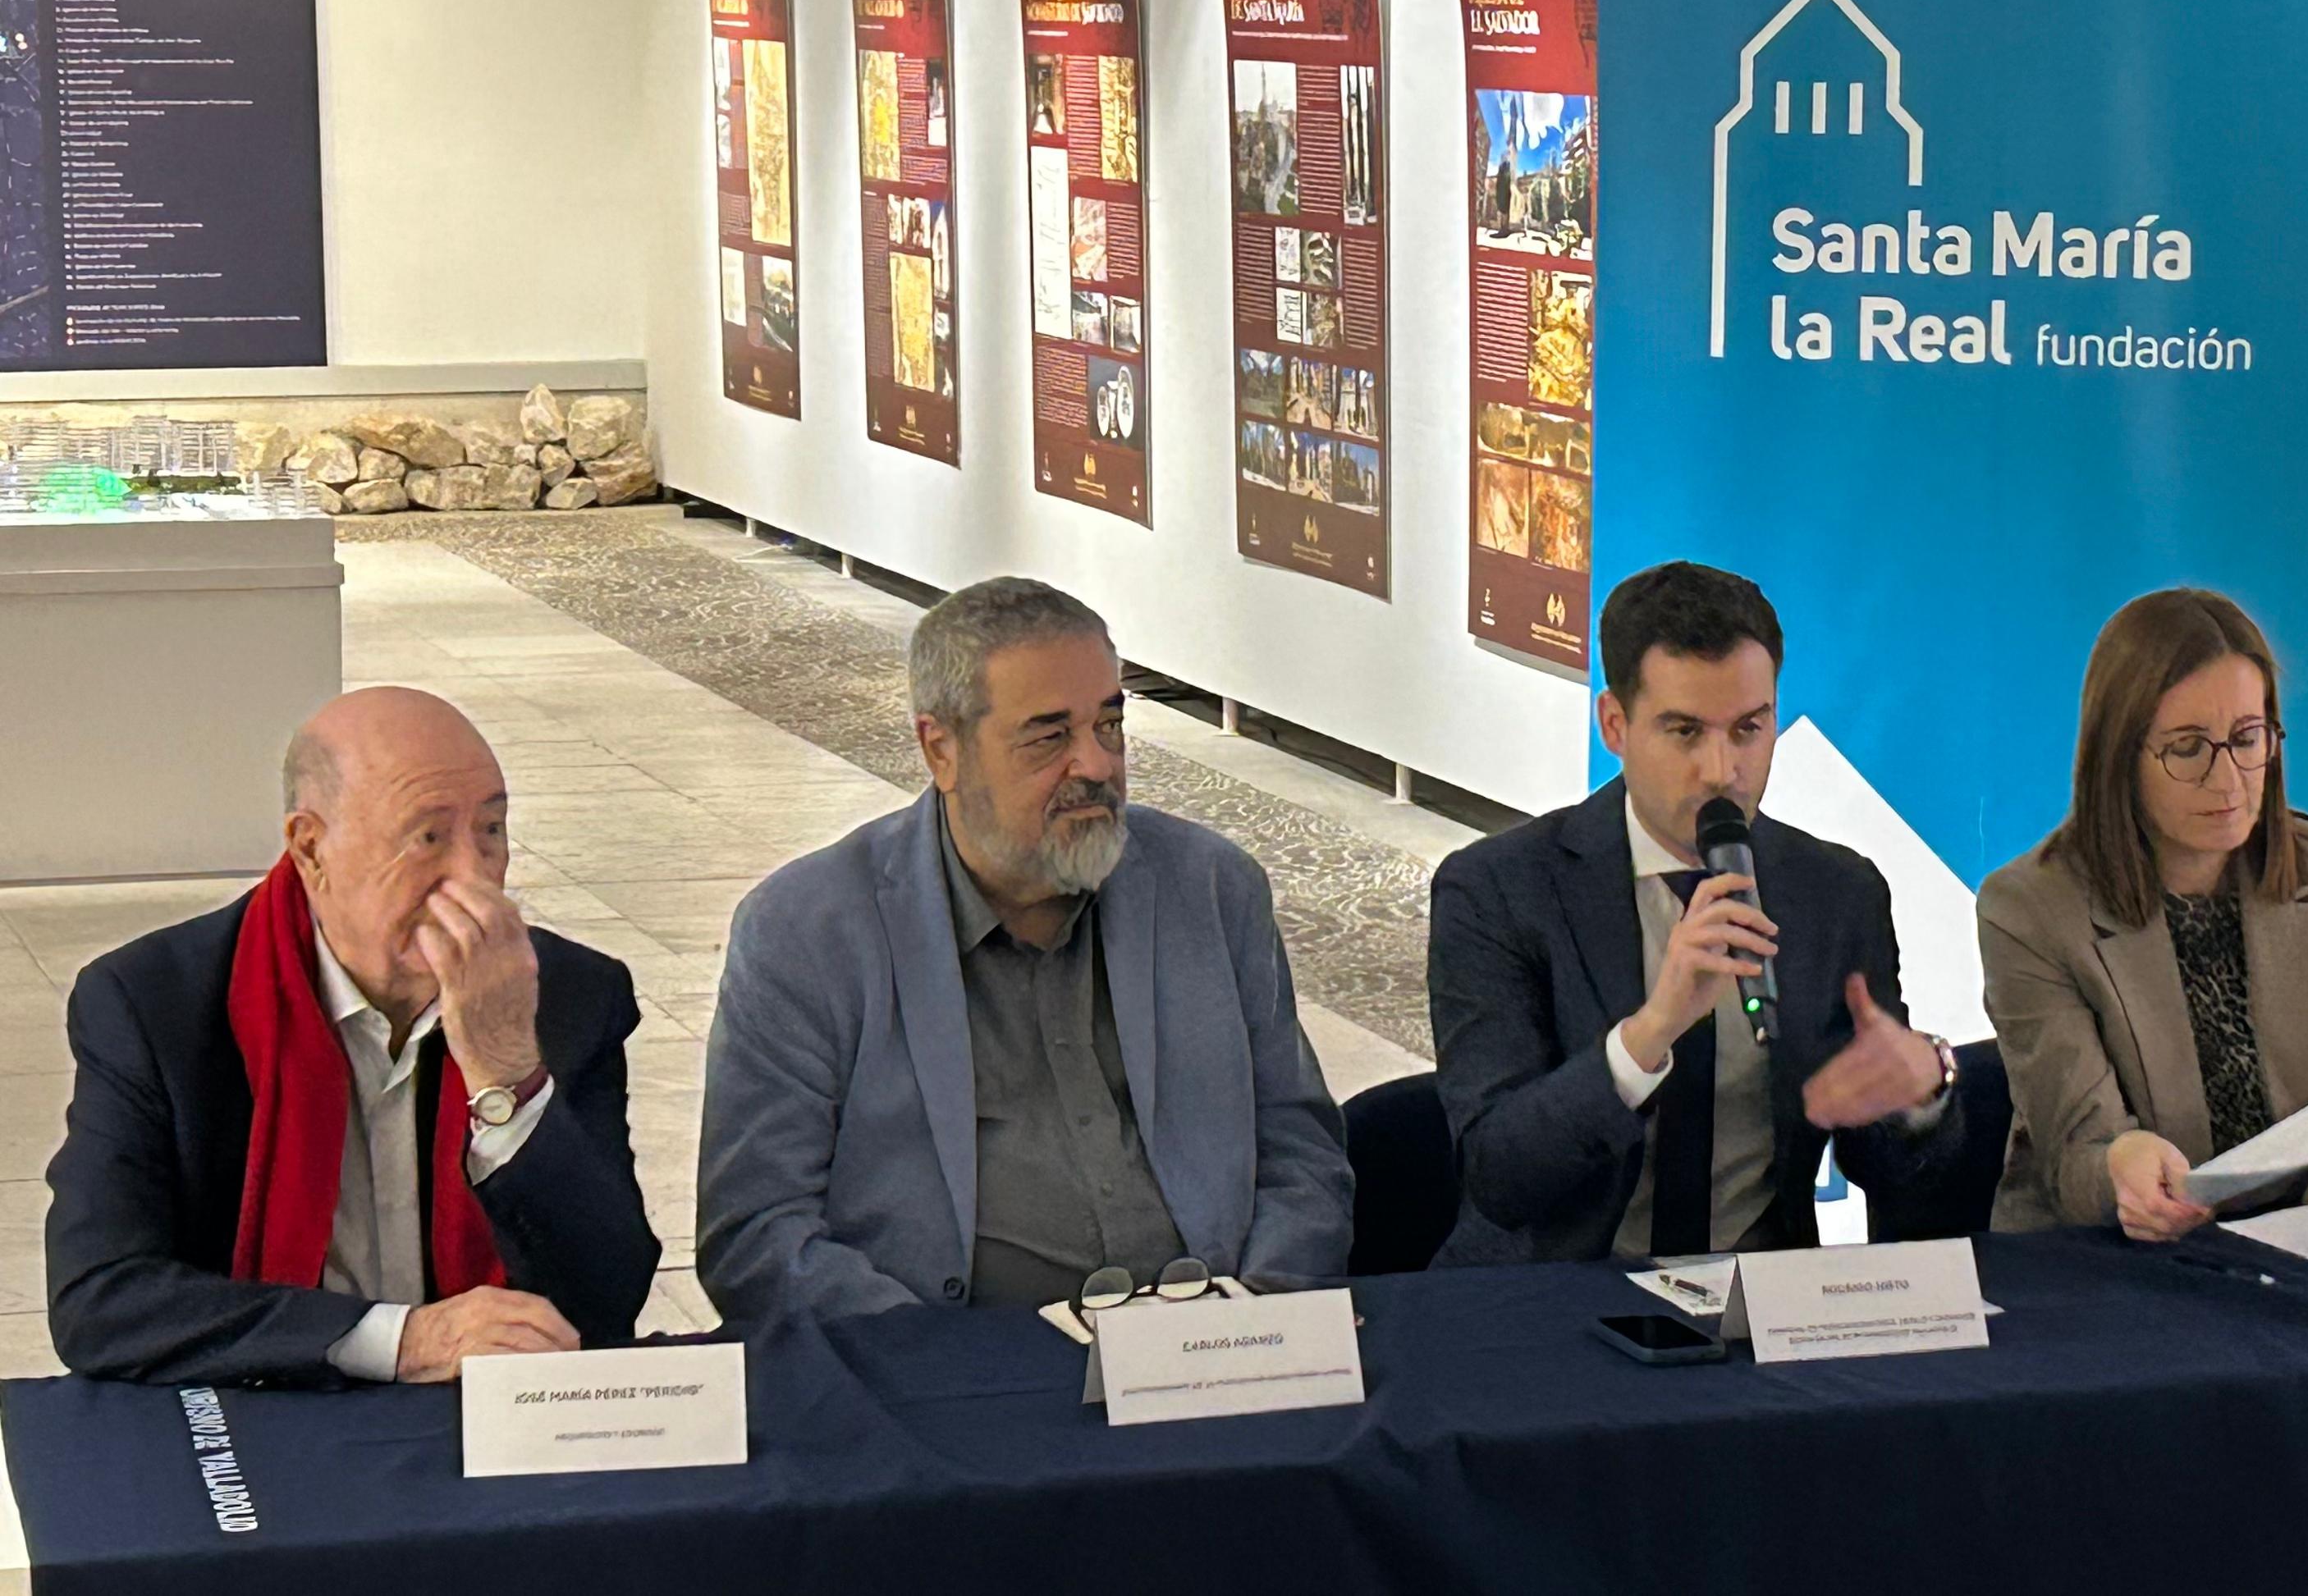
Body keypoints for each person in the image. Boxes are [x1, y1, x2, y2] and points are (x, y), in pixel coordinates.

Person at [698, 578, 1349, 1325]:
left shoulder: (1209, 888)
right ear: (941, 750)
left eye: (1109, 725)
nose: (1096, 766)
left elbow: (1301, 1154)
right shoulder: (809, 932)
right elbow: (759, 1232)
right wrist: (946, 1363)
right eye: (1049, 737)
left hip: (1210, 1352)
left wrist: (1258, 1317)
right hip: (951, 1366)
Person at [44, 688, 657, 1387]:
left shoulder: (571, 994)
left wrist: (506, 1071)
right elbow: (101, 1302)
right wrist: (404, 1341)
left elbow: (607, 1302)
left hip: (491, 1417)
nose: (475, 874)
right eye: (428, 838)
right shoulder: (156, 1004)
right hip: (269, 1404)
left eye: (491, 829)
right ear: (311, 848)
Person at [1427, 560, 1962, 1264]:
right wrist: (1649, 1033)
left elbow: (1892, 1171)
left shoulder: (1835, 893)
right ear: (1614, 725)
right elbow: (1498, 1177)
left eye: (1748, 729)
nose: (1721, 770)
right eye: (1684, 732)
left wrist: (1918, 1097)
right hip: (1559, 1296)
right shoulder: (1498, 890)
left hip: (1758, 1293)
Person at [1981, 588, 2308, 1241]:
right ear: (2119, 756)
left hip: (2294, 1242)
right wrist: (2120, 1167)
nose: (2229, 780)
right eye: (2188, 748)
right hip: (2101, 1253)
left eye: (2247, 739)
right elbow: (2079, 1155)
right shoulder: (2030, 910)